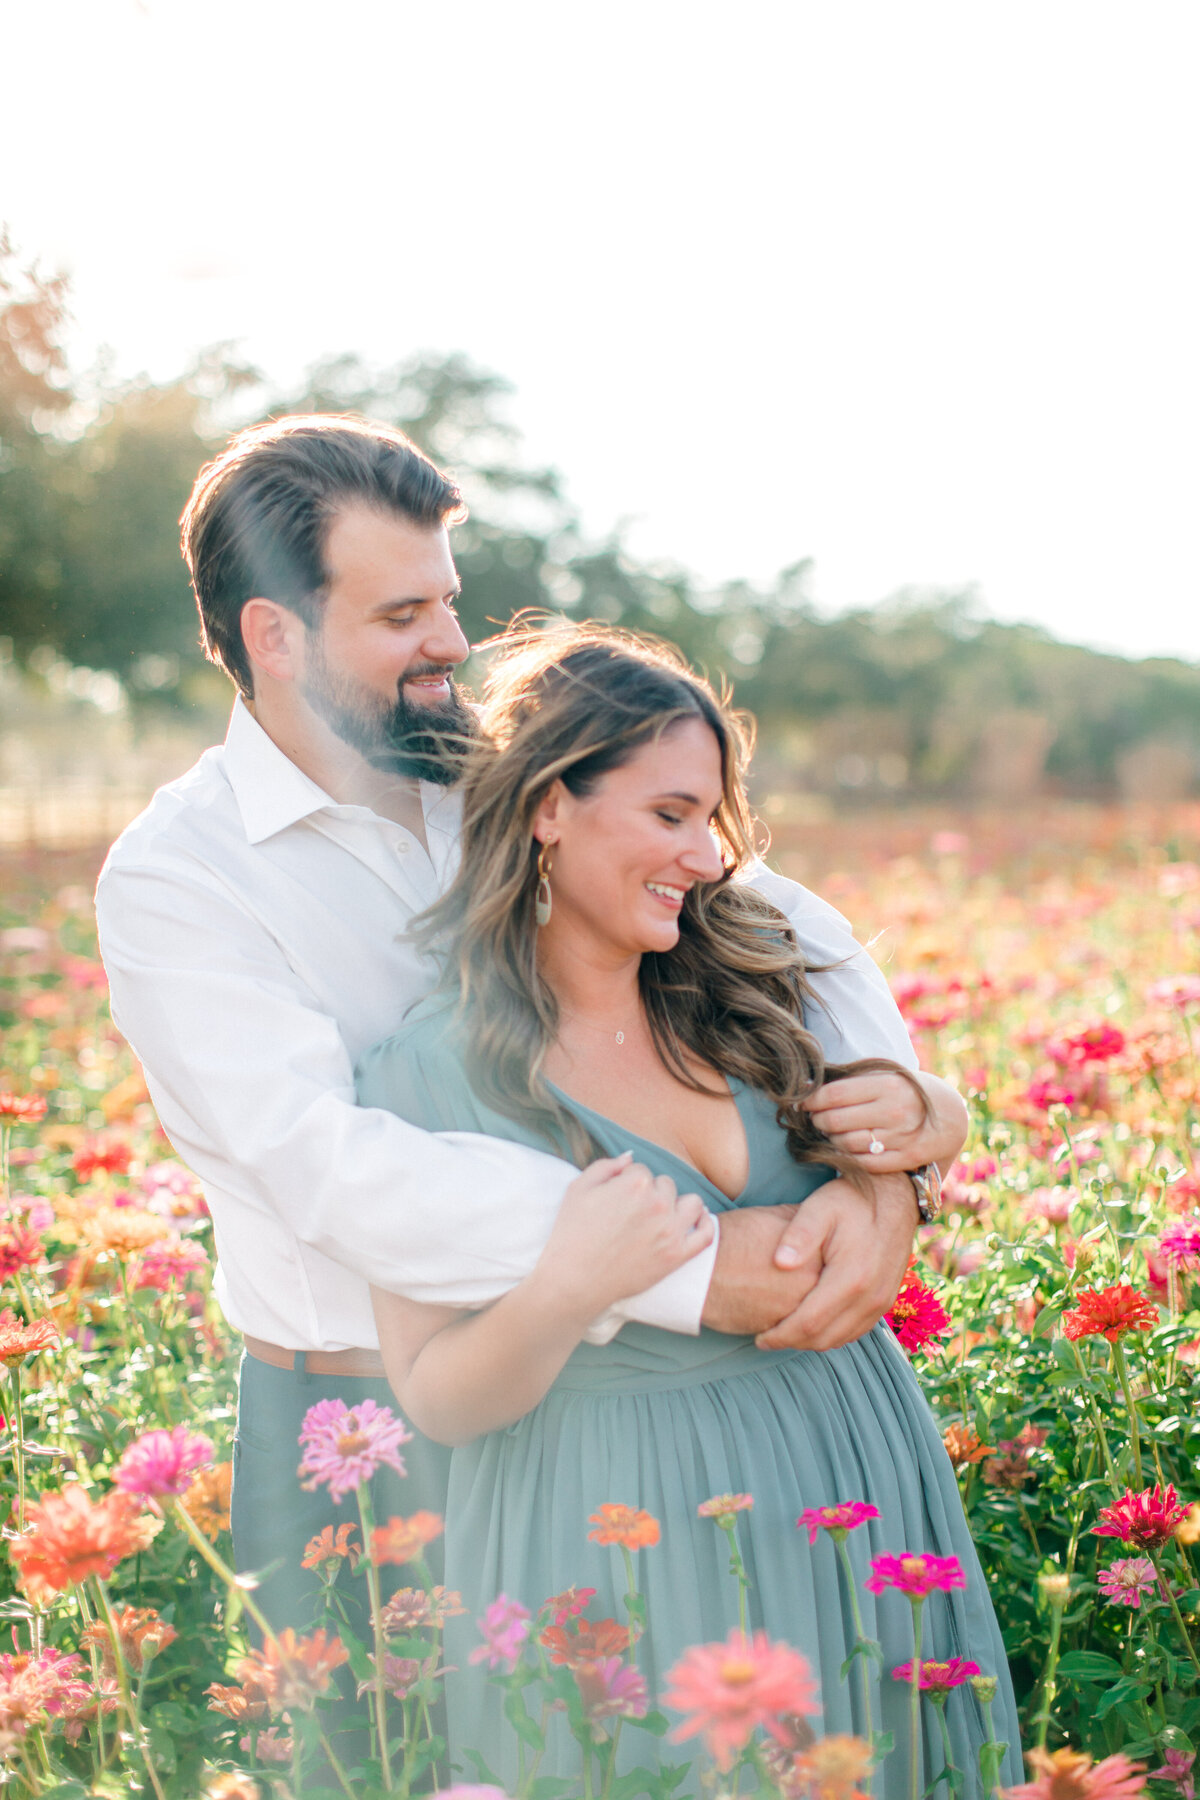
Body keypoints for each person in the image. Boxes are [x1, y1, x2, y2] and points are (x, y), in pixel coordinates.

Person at [95, 414, 968, 1638]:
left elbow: (780, 918)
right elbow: (334, 1171)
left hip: (597, 1424)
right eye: (401, 618)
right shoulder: (181, 879)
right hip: (361, 1432)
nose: (451, 642)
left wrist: (900, 1146)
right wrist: (690, 1265)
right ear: (273, 635)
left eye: (448, 600)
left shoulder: (504, 765)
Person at [359, 627, 1021, 1795]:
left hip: (857, 1469)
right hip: (619, 1524)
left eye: (715, 818)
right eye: (671, 815)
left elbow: (907, 1123)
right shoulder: (431, 1070)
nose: (709, 856)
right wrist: (572, 1287)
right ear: (551, 805)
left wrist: (928, 1116)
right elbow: (437, 1396)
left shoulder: (757, 976)